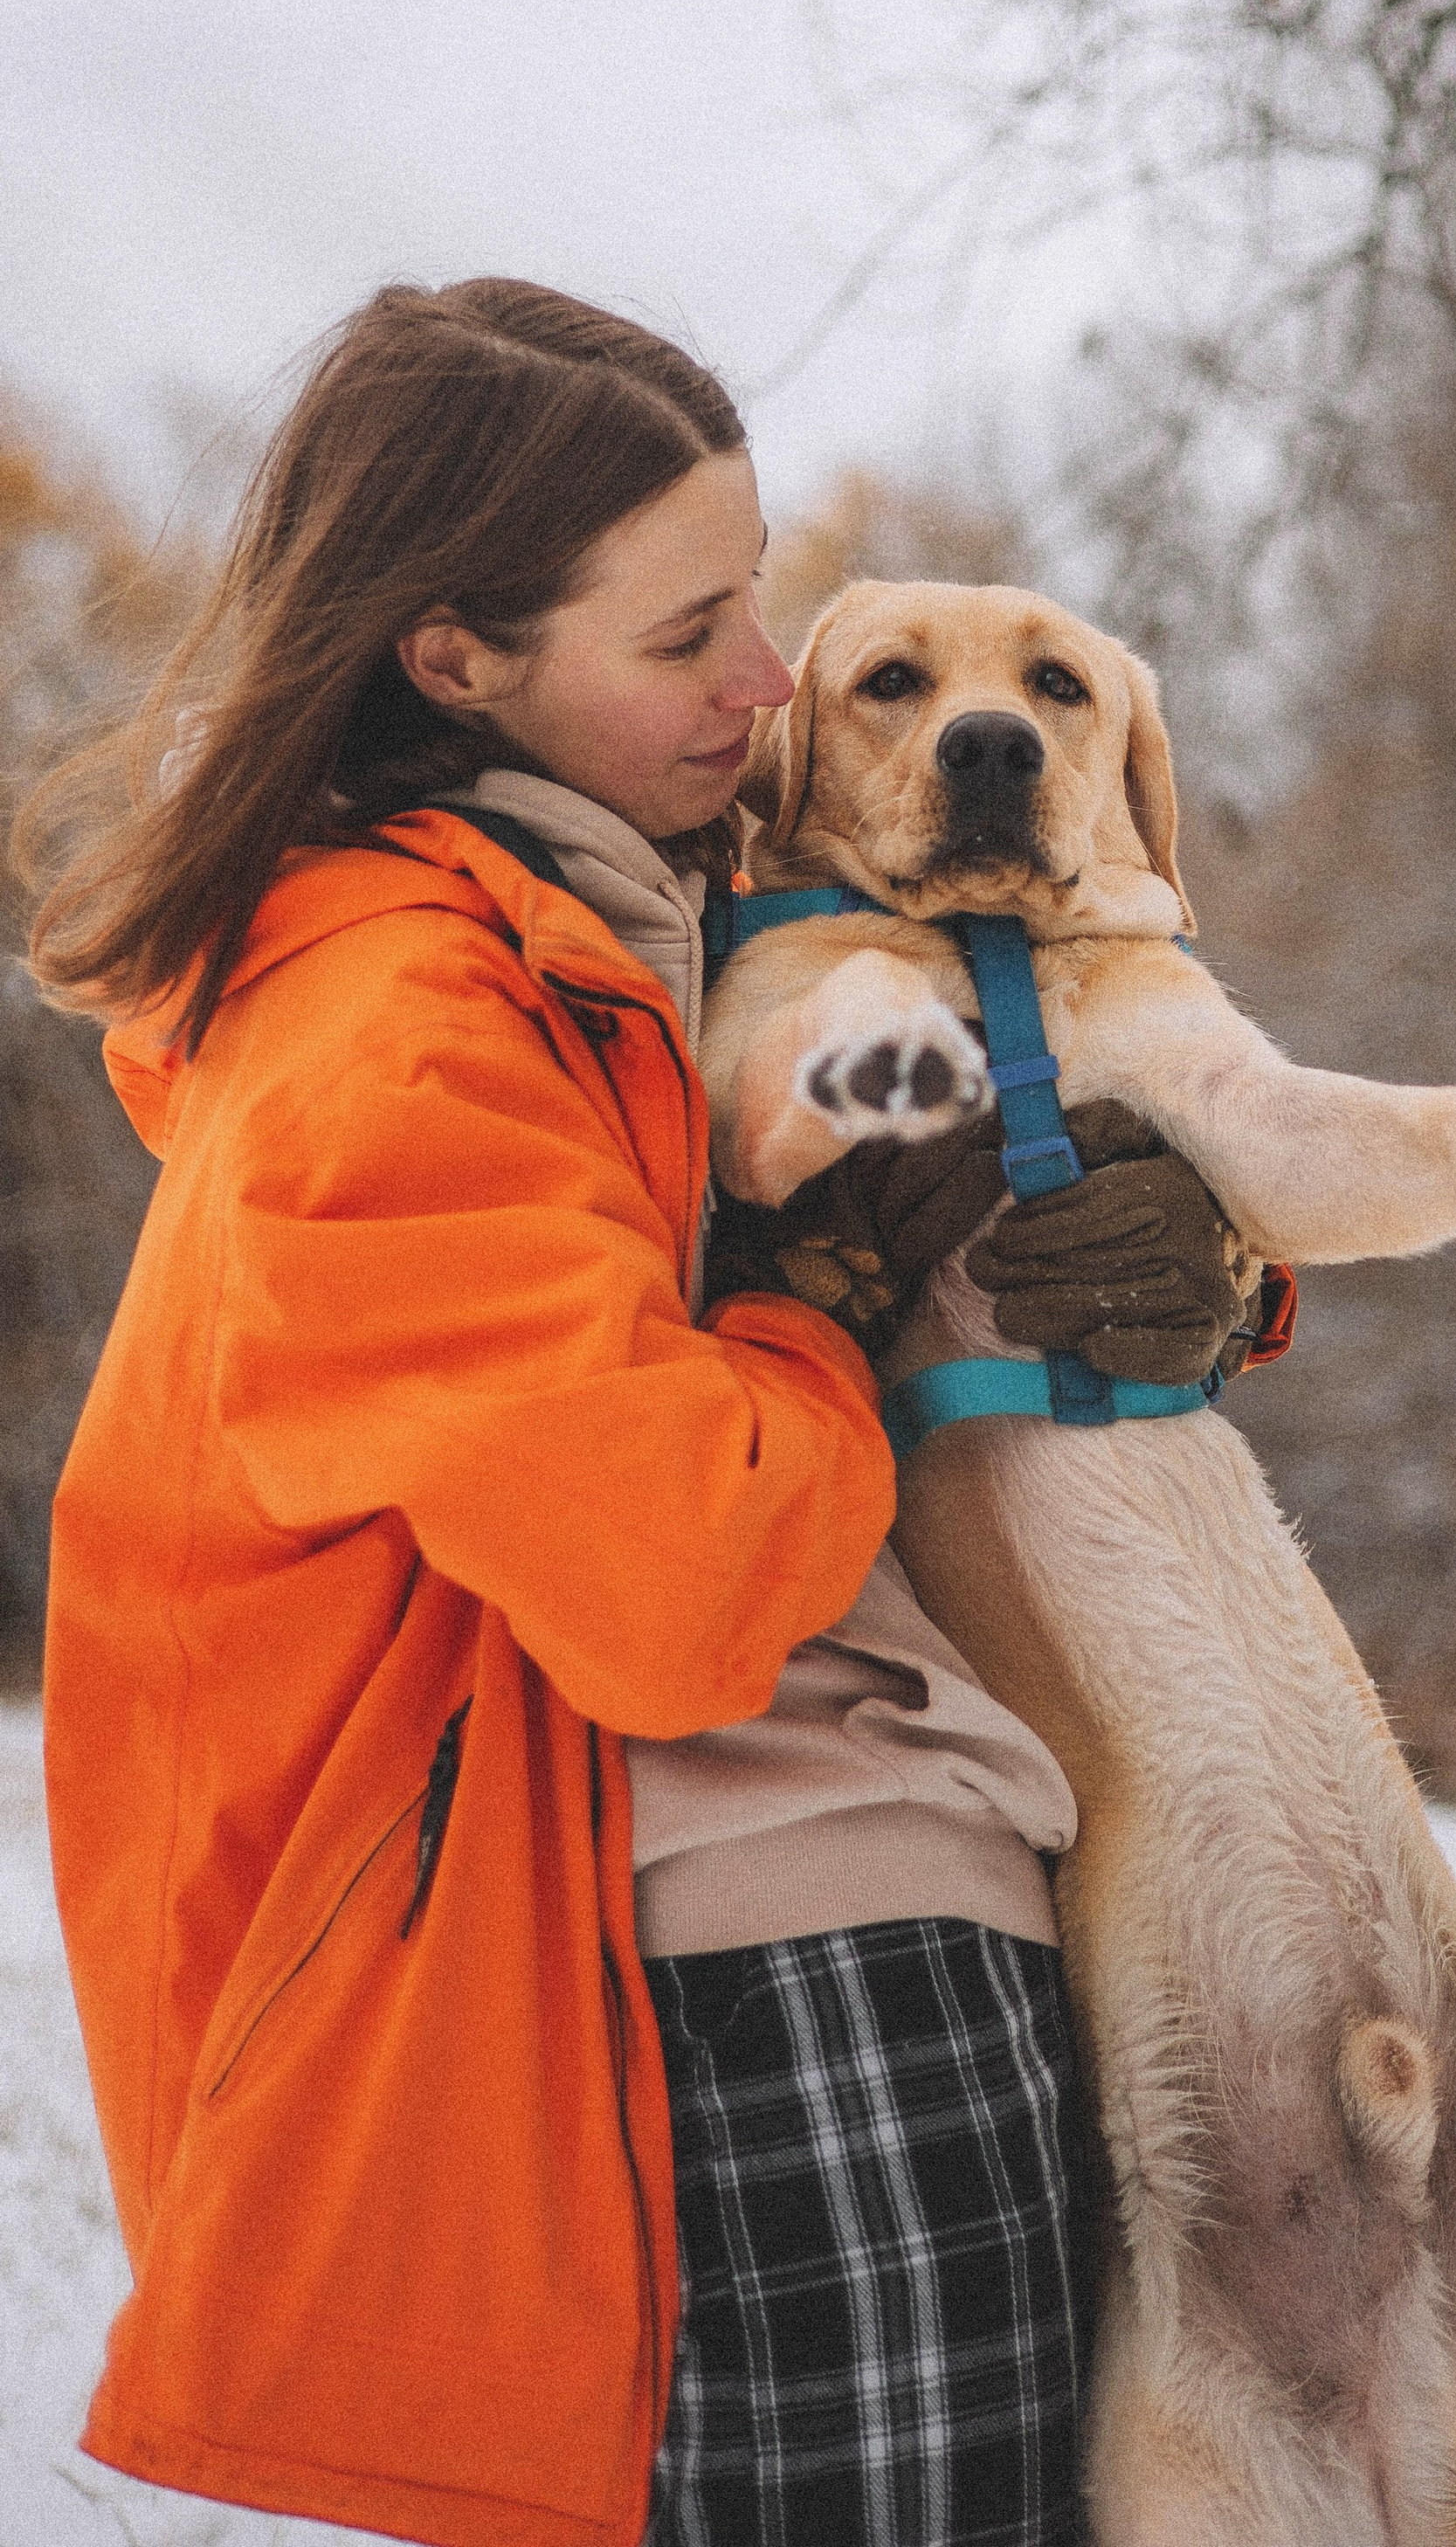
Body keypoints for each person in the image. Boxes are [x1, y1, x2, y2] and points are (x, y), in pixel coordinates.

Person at [23, 280, 1271, 2547]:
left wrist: (1220, 1271)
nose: (768, 681)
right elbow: (683, 1577)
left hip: (830, 1906)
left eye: (758, 599)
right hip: (756, 1959)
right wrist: (807, 1306)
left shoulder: (634, 914)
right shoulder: (406, 1033)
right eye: (692, 632)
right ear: (455, 658)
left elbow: (1069, 1104)